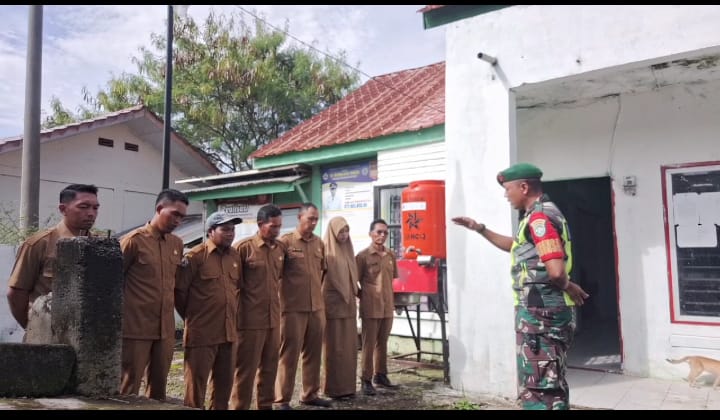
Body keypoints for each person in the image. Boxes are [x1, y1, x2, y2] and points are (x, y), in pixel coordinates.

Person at [451, 162, 590, 411]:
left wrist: (568, 285)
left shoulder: (540, 219)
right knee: (550, 383)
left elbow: (556, 271)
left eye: (508, 189)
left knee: (540, 389)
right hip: (542, 314)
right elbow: (518, 246)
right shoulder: (537, 216)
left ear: (524, 187)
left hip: (541, 317)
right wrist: (480, 228)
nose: (506, 195)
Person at [119, 188, 188, 401]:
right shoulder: (133, 241)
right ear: (159, 209)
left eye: (182, 217)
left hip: (164, 330)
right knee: (127, 387)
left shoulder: (177, 244)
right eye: (174, 214)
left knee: (159, 390)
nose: (178, 220)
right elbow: (113, 282)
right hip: (135, 328)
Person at [6, 184, 99, 332]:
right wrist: (33, 329)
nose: (91, 213)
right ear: (63, 209)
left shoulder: (100, 246)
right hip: (46, 331)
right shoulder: (39, 244)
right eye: (84, 207)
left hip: (87, 334)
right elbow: (16, 293)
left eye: (95, 208)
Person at [174, 211, 242, 409]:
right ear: (211, 231)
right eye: (225, 229)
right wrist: (194, 317)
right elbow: (179, 293)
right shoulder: (196, 256)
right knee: (196, 387)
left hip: (228, 333)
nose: (231, 233)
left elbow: (237, 289)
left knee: (224, 386)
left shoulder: (235, 256)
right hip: (202, 333)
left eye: (233, 229)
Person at [274, 203, 331, 409]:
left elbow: (322, 272)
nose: (314, 223)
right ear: (299, 217)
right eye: (310, 219)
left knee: (313, 353)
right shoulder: (286, 242)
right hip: (291, 309)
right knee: (289, 355)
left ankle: (310, 394)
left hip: (316, 308)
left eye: (316, 219)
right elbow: (276, 274)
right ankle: (281, 399)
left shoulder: (319, 243)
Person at [230, 204, 284, 410]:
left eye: (279, 226)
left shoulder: (280, 249)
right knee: (245, 371)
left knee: (270, 369)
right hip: (249, 321)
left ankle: (265, 406)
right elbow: (233, 284)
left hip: (273, 320)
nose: (277, 230)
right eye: (273, 226)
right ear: (261, 224)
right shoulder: (244, 248)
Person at [356, 218, 399, 396]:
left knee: (382, 342)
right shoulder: (363, 256)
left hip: (387, 306)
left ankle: (380, 375)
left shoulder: (390, 255)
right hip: (371, 307)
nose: (382, 235)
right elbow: (353, 281)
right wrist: (364, 296)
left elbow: (392, 280)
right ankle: (365, 380)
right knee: (369, 344)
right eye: (378, 232)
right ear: (371, 234)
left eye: (385, 233)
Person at [321, 216, 360, 400]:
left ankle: (348, 387)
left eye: (346, 231)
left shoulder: (349, 250)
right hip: (333, 308)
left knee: (349, 348)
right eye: (340, 232)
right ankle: (333, 389)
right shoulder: (325, 250)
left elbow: (354, 277)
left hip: (350, 307)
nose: (344, 235)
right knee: (334, 348)